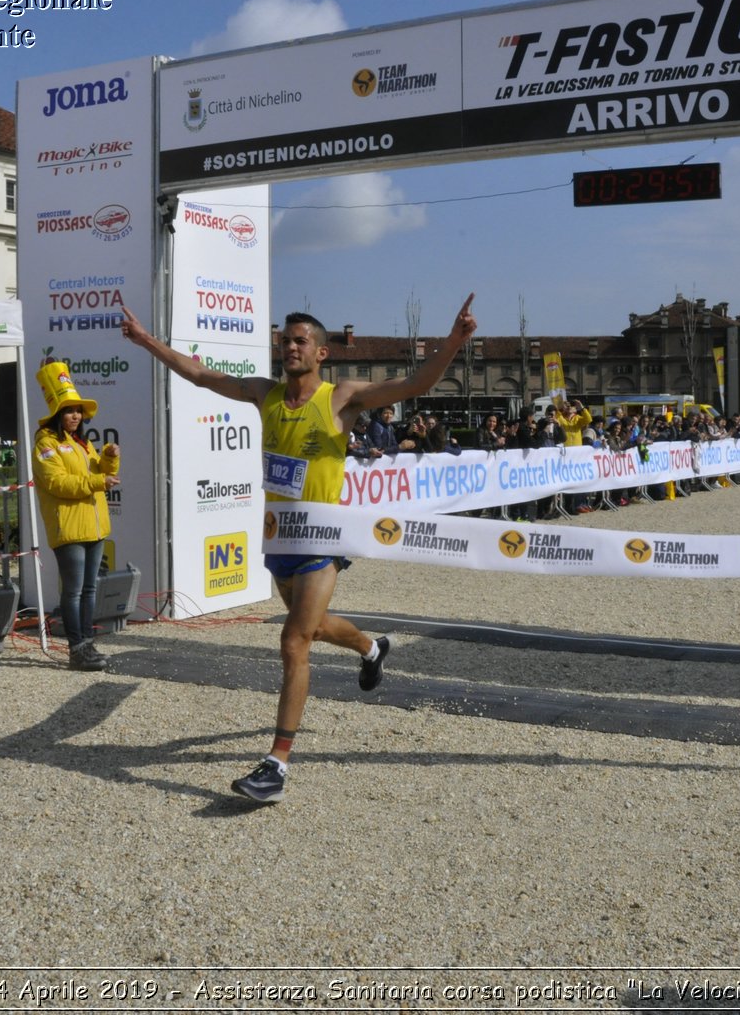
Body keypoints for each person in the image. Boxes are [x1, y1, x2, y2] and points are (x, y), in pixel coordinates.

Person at [121, 294, 478, 803]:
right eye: (285, 341)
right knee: (312, 628)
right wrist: (145, 341)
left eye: (300, 341)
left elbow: (415, 384)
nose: (290, 347)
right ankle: (372, 647)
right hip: (278, 537)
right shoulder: (264, 394)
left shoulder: (341, 398)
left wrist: (454, 342)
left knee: (293, 642)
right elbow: (200, 375)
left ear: (321, 354)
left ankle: (276, 766)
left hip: (320, 541)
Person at [32, 362, 120, 672]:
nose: (76, 416)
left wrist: (109, 460)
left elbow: (99, 473)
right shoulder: (46, 443)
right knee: (73, 591)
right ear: (57, 413)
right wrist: (99, 481)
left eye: (79, 411)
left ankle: (86, 642)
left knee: (89, 589)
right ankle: (76, 648)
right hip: (68, 528)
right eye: (70, 411)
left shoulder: (82, 443)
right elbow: (57, 483)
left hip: (94, 527)